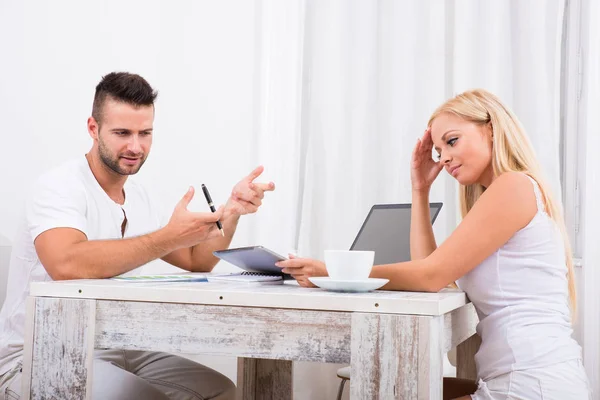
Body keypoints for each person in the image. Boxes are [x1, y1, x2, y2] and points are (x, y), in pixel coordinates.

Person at [276, 89, 591, 399]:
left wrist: (330, 273)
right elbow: (431, 275)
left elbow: (430, 276)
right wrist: (420, 189)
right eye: (439, 151)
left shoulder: (513, 186)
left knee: (389, 388)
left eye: (452, 141)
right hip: (519, 377)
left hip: (531, 383)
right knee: (394, 388)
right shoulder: (506, 191)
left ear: (491, 129)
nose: (445, 158)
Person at [0, 72, 275, 400]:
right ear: (93, 128)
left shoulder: (141, 196)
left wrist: (231, 212)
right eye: (122, 133)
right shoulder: (59, 187)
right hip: (42, 350)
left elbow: (196, 259)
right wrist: (168, 237)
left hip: (118, 346)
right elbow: (66, 264)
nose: (135, 146)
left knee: (220, 391)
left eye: (145, 133)